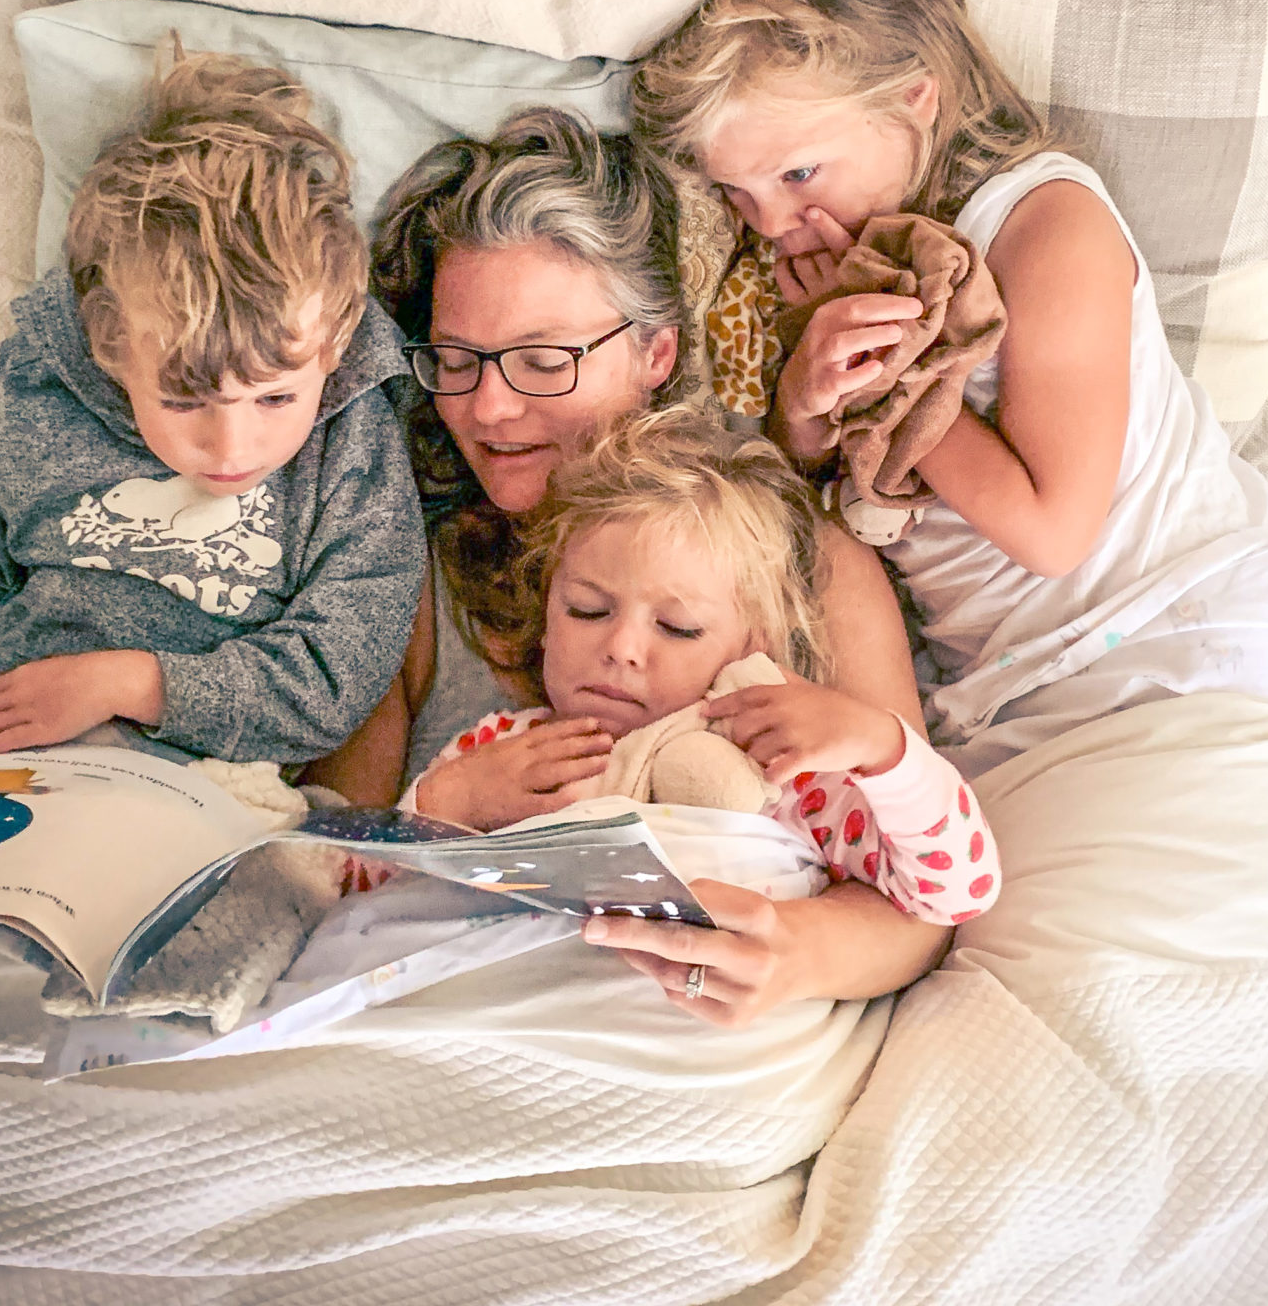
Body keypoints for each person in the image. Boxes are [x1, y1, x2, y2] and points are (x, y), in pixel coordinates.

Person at [630, 0, 1268, 777]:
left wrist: (896, 379)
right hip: (999, 676)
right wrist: (803, 394)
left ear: (916, 99)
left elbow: (1053, 534)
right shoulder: (835, 253)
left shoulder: (1045, 230)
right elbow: (816, 489)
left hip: (1164, 629)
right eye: (739, 194)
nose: (770, 222)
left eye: (798, 172)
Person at [306, 107, 950, 1024]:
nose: (487, 410)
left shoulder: (803, 563)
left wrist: (795, 949)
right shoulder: (416, 573)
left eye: (541, 360)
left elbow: (919, 905)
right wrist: (444, 805)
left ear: (657, 352)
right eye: (455, 362)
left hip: (692, 1036)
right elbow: (323, 867)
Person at [0, 53, 425, 763]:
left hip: (197, 789)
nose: (232, 449)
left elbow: (335, 676)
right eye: (183, 399)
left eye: (276, 397)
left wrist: (129, 685)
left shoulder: (353, 441)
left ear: (337, 342)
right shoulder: (36, 389)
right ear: (110, 343)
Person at [407, 407, 999, 949]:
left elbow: (954, 892)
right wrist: (442, 800)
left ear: (750, 647)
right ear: (544, 620)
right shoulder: (498, 749)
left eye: (678, 627)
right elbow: (357, 890)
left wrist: (886, 749)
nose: (622, 649)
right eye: (586, 610)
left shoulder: (785, 772)